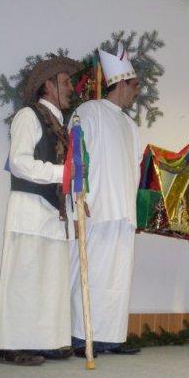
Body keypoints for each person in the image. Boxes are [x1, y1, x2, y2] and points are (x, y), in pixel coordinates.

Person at [0, 56, 81, 366]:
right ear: (48, 85)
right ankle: (11, 345)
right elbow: (19, 162)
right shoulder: (28, 116)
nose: (71, 88)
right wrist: (61, 173)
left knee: (50, 279)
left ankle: (47, 340)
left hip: (54, 213)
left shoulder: (63, 126)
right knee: (24, 277)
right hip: (30, 210)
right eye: (65, 82)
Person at [68, 44, 141, 357]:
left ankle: (111, 337)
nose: (136, 93)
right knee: (91, 273)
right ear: (121, 84)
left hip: (123, 211)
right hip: (95, 206)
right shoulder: (89, 111)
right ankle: (80, 335)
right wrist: (79, 194)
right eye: (134, 86)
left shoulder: (130, 125)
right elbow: (76, 154)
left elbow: (134, 169)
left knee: (118, 276)